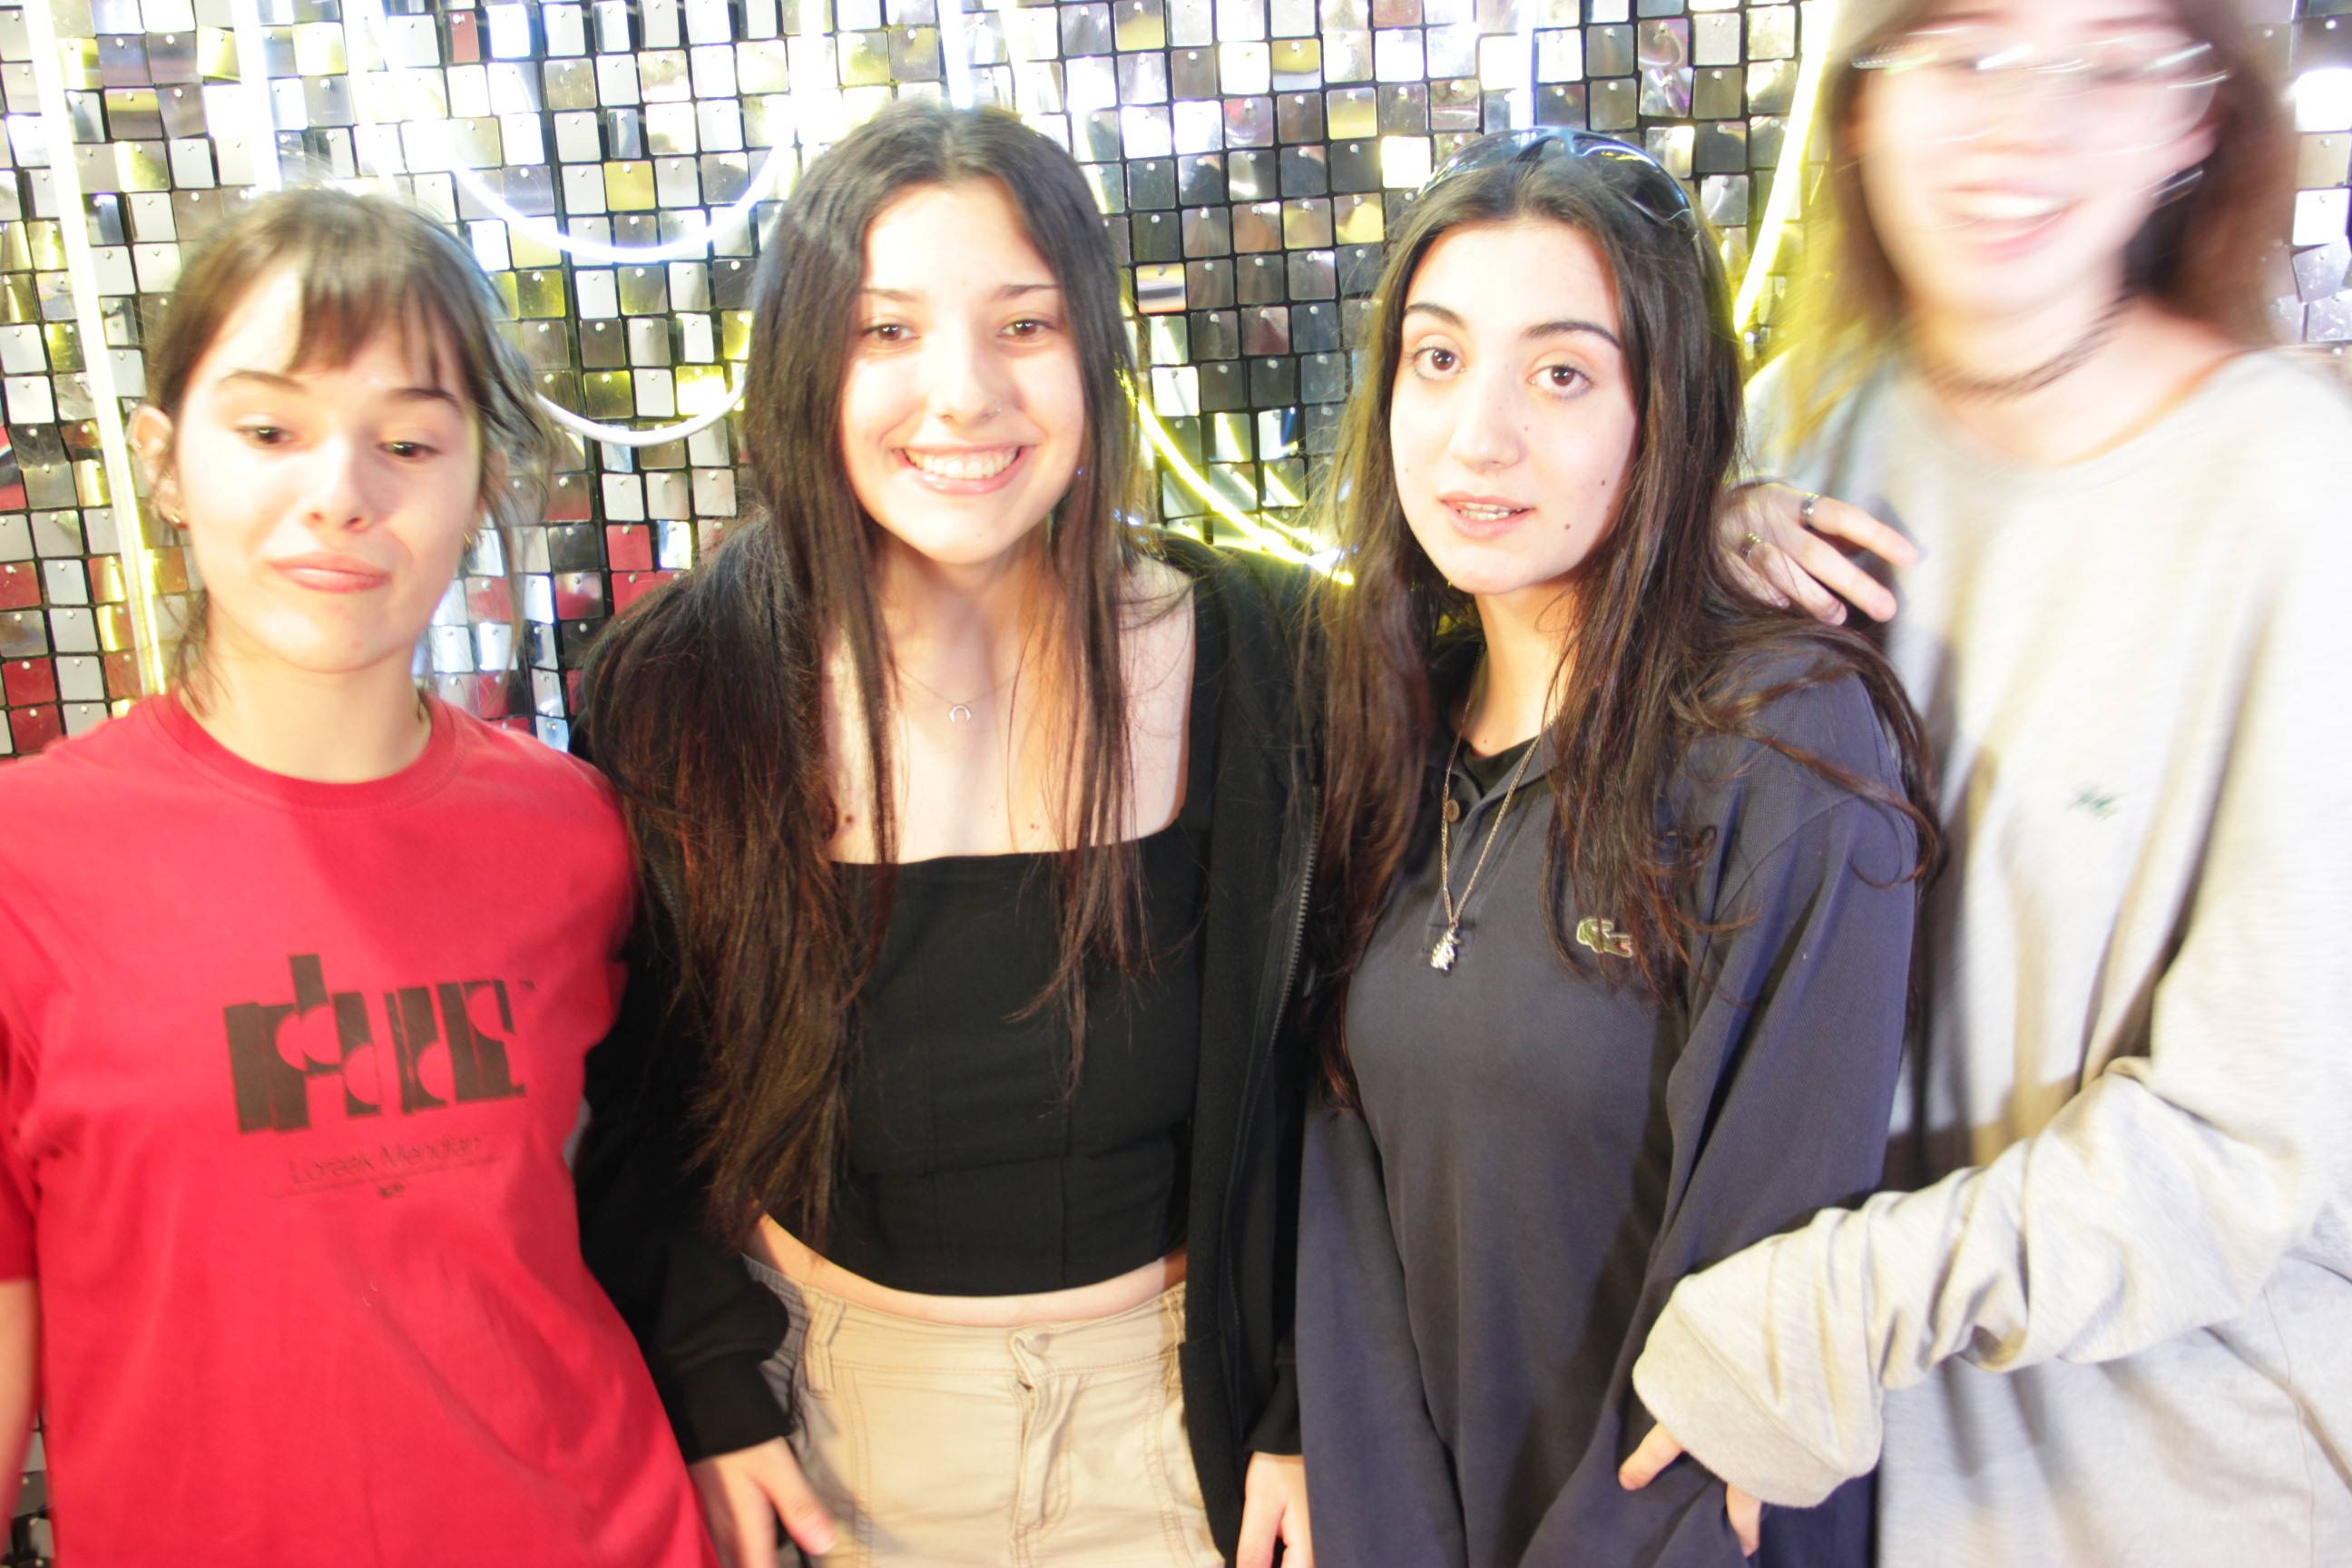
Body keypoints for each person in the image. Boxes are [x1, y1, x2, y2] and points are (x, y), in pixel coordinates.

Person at [1622, 2, 2352, 1563]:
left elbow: (2239, 1146)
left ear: (2197, 122)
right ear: (1864, 106)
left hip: (2160, 1479)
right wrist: (1688, 567)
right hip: (1821, 1478)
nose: (2025, 126)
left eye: (2110, 64)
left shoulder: (2299, 496)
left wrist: (1817, 1313)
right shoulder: (1800, 424)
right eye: (1966, 53)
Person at [573, 103, 1317, 1568]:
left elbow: (1353, 1084)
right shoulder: (679, 684)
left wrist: (1721, 532)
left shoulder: (1276, 658)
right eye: (888, 331)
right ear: (805, 365)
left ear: (1094, 352)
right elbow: (632, 1098)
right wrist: (713, 1390)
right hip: (831, 1439)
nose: (963, 395)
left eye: (1024, 325)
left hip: (1192, 1441)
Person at [0, 190, 714, 1565]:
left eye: (408, 443)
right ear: (162, 462)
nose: (339, 494)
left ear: (479, 486)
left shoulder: (579, 836)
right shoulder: (25, 864)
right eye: (269, 432)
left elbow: (658, 1206)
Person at [1291, 129, 1936, 1568]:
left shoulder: (1781, 744)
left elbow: (1759, 1295)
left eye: (1563, 375)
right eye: (1439, 359)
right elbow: (1344, 1221)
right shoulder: (1382, 732)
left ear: (1670, 409)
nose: (1479, 437)